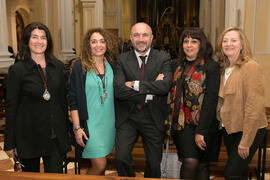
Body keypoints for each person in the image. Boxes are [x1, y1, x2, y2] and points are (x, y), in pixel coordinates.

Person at [4, 22, 71, 173]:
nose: (39, 41)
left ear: (48, 41)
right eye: (34, 37)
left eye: (43, 37)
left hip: (53, 135)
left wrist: (67, 132)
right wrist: (9, 142)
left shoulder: (57, 66)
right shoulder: (17, 70)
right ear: (27, 41)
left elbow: (61, 102)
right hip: (28, 137)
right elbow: (11, 108)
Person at [114, 22, 172, 178]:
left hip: (153, 117)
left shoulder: (163, 58)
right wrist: (151, 88)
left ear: (152, 38)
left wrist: (134, 84)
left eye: (145, 35)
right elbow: (119, 91)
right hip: (128, 116)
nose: (141, 39)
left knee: (154, 163)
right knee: (121, 158)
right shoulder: (122, 59)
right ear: (131, 39)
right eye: (136, 35)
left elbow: (165, 87)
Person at [166, 27, 220, 180]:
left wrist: (201, 131)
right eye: (186, 41)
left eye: (194, 41)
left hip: (206, 124)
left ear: (201, 44)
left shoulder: (211, 67)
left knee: (203, 165)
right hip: (182, 124)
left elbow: (211, 100)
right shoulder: (175, 65)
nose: (189, 45)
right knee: (190, 162)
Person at [215, 26, 268, 179]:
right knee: (240, 173)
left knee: (231, 173)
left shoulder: (251, 67)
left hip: (249, 129)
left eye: (233, 40)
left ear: (242, 44)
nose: (228, 44)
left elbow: (254, 107)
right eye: (225, 41)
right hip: (230, 128)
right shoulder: (224, 68)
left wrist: (246, 141)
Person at [69, 28, 118, 175]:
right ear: (88, 45)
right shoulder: (80, 66)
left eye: (102, 41)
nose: (98, 45)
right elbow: (73, 100)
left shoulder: (112, 64)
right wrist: (77, 128)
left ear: (107, 44)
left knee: (103, 161)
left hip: (109, 124)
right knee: (99, 164)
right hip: (89, 124)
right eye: (94, 41)